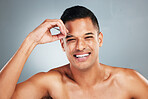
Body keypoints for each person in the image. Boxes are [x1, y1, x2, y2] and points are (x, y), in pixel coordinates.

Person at [0, 5, 148, 99]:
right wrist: (31, 40)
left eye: (88, 37)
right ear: (62, 44)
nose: (80, 46)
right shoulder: (52, 83)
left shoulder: (127, 81)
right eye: (71, 39)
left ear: (100, 39)